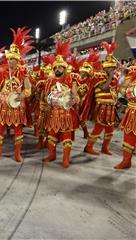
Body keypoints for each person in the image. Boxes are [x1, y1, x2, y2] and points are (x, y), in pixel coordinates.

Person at [0, 27, 32, 162]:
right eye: (9, 59)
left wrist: (22, 96)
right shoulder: (2, 72)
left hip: (17, 104)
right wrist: (2, 97)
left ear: (17, 60)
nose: (10, 61)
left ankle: (17, 154)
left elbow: (28, 89)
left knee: (18, 130)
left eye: (13, 59)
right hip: (4, 104)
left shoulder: (23, 73)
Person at [42, 40, 80, 168]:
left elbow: (76, 96)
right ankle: (52, 155)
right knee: (51, 135)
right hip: (54, 112)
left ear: (64, 68)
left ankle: (65, 159)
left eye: (60, 67)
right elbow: (47, 96)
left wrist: (73, 100)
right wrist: (48, 103)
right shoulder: (50, 81)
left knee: (66, 136)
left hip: (66, 113)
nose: (58, 69)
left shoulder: (71, 79)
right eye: (56, 67)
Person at [83, 42, 118, 155]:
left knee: (110, 129)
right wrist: (111, 77)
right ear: (106, 68)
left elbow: (114, 90)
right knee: (99, 127)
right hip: (102, 106)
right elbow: (104, 87)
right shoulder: (99, 76)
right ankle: (88, 147)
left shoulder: (114, 78)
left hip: (111, 106)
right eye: (111, 68)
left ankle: (105, 148)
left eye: (114, 67)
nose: (113, 69)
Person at [114, 64, 136, 169]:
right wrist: (126, 91)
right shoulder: (133, 70)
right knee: (128, 136)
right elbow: (123, 87)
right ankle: (126, 161)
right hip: (132, 110)